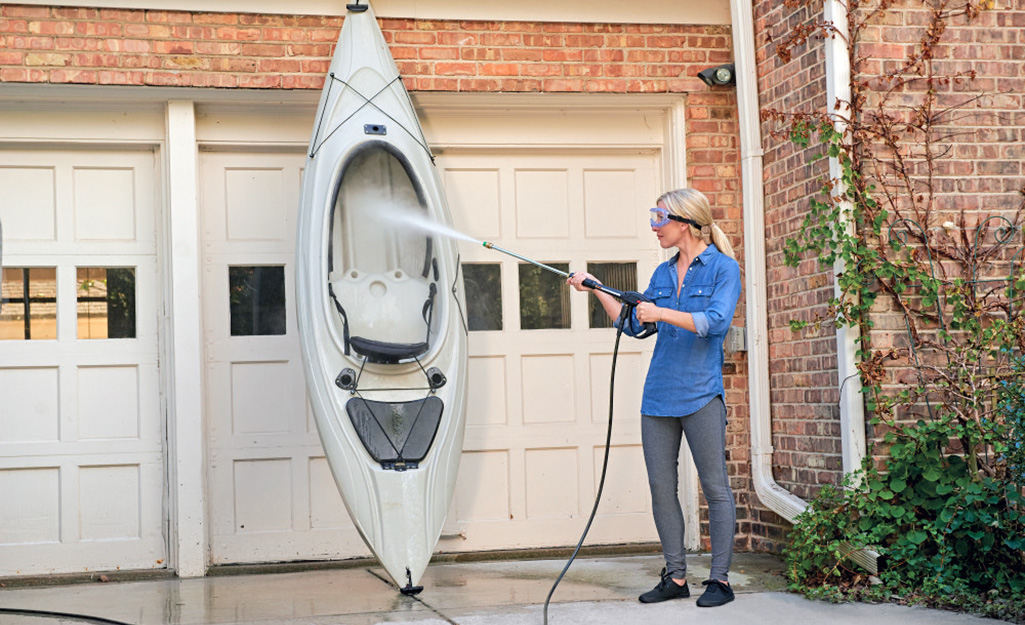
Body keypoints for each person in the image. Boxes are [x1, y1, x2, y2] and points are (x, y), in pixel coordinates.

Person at [567, 188, 741, 608]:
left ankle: (719, 581)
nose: (654, 226)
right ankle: (676, 577)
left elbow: (715, 323)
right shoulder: (663, 274)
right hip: (658, 397)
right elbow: (633, 325)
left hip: (701, 395)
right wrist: (596, 289)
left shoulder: (723, 268)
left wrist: (661, 313)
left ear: (685, 221)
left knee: (715, 487)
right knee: (662, 489)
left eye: (659, 217)